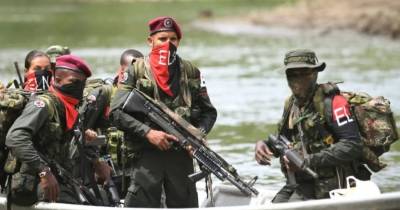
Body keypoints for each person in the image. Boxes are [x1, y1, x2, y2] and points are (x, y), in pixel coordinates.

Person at [110, 16, 217, 208]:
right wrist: (148, 133)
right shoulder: (136, 70)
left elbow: (209, 112)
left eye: (173, 39)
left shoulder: (190, 71)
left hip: (182, 155)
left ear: (179, 42)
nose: (168, 44)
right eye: (162, 39)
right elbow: (116, 113)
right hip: (146, 153)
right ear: (150, 41)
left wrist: (197, 136)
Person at [254, 49, 368, 202]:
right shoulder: (291, 104)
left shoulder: (334, 103)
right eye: (291, 75)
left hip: (334, 183)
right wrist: (265, 145)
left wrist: (308, 161)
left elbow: (352, 145)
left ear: (315, 74)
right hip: (301, 182)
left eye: (303, 73)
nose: (296, 80)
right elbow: (282, 140)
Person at [5, 54, 111, 205]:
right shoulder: (43, 105)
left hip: (60, 178)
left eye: (82, 83)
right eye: (74, 82)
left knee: (101, 196)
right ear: (58, 80)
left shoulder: (67, 108)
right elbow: (15, 137)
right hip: (32, 183)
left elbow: (75, 143)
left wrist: (97, 162)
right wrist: (44, 171)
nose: (80, 87)